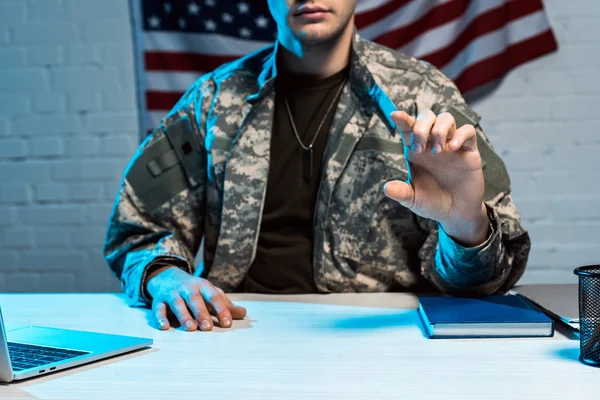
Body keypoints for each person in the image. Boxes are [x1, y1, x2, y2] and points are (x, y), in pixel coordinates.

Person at [104, 0, 531, 332]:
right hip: (233, 330)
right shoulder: (215, 99)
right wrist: (166, 277)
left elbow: (487, 282)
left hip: (377, 341)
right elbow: (136, 228)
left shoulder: (422, 95)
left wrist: (466, 230)